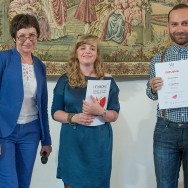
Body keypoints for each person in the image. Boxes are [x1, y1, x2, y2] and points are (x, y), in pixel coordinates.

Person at [51, 34, 120, 188]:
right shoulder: (65, 80)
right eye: (83, 48)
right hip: (73, 145)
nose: (87, 51)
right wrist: (74, 117)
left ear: (97, 53)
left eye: (92, 48)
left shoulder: (107, 81)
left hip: (98, 145)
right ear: (76, 52)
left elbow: (114, 115)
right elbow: (55, 112)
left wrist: (101, 111)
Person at [0, 14, 52, 188]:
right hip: (5, 132)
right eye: (22, 35)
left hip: (31, 132)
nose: (27, 40)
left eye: (32, 35)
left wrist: (46, 140)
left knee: (23, 184)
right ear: (15, 37)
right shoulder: (3, 59)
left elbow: (43, 105)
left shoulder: (39, 66)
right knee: (9, 183)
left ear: (37, 37)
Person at [146, 4, 188, 188]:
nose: (179, 29)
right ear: (168, 27)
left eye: (185, 23)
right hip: (165, 131)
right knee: (164, 185)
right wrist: (153, 88)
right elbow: (151, 94)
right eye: (175, 24)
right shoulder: (158, 59)